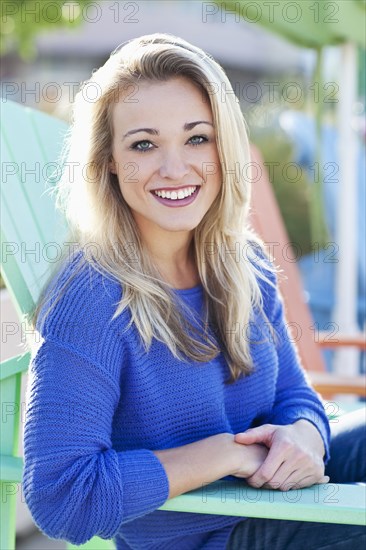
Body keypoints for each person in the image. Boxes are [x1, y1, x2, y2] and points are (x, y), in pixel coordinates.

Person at [23, 33, 365, 550]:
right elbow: (61, 498)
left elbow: (294, 396)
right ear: (109, 160)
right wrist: (226, 453)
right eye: (144, 144)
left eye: (197, 138)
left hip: (272, 494)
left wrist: (304, 435)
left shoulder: (241, 260)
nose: (175, 168)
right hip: (205, 536)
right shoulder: (91, 296)